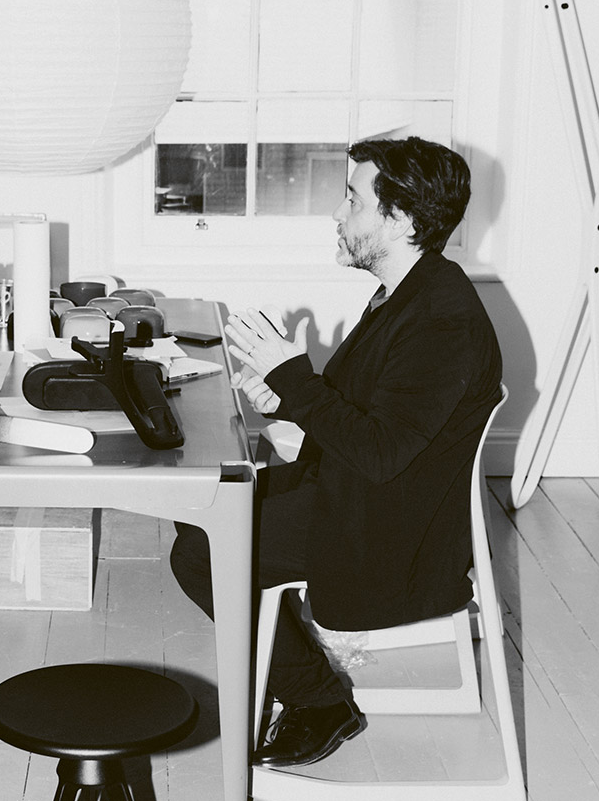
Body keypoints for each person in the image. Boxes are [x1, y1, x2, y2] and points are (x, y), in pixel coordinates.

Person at [170, 137, 503, 768]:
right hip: (362, 494)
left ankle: (319, 702)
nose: (338, 213)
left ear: (399, 220)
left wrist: (295, 378)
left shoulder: (442, 319)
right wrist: (286, 399)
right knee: (204, 507)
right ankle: (302, 678)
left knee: (201, 551)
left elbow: (380, 452)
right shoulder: (409, 292)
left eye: (353, 200)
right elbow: (368, 413)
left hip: (388, 531)